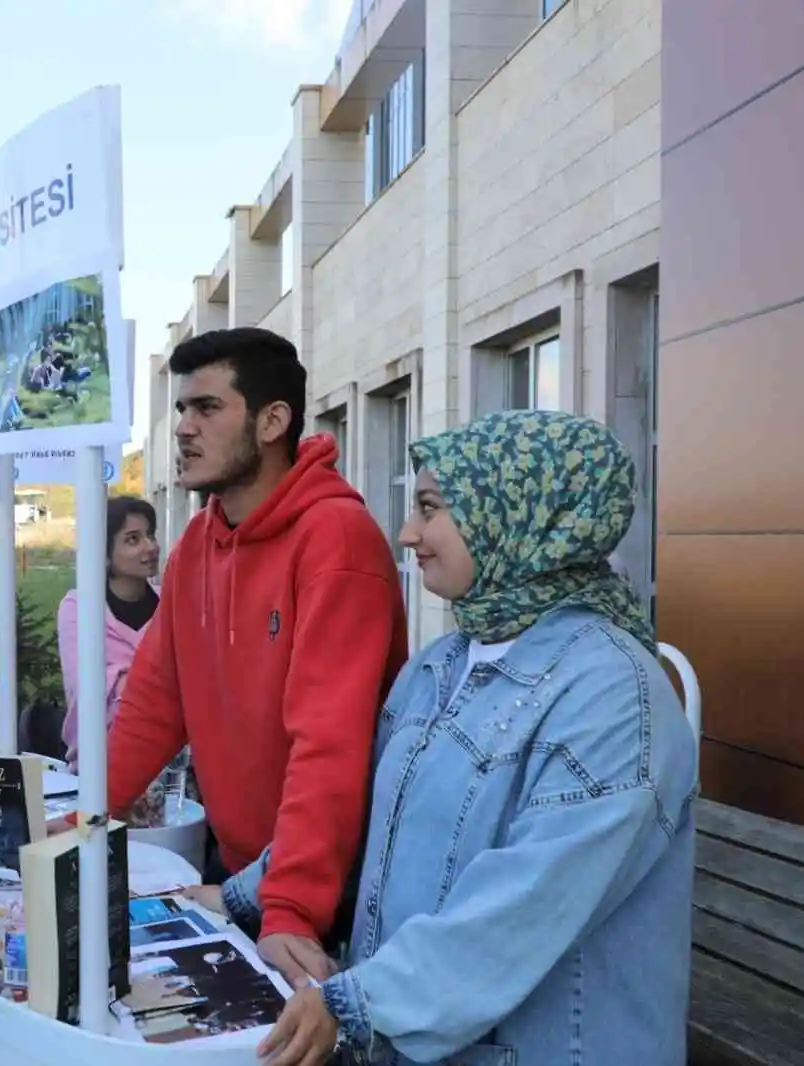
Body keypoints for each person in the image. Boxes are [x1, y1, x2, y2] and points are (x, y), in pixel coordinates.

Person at [256, 411, 697, 1066]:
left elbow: (523, 906)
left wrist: (355, 1004)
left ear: (516, 513)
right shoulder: (442, 663)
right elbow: (361, 816)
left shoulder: (614, 697)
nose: (408, 534)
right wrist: (249, 891)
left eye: (431, 508)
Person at [105, 327, 408, 988]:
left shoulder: (337, 540)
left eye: (207, 408)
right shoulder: (196, 542)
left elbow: (331, 741)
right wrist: (89, 814)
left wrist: (292, 906)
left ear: (273, 420)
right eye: (181, 408)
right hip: (245, 875)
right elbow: (156, 697)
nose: (183, 427)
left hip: (330, 892)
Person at [55, 495, 160, 769]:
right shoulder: (79, 607)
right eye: (133, 539)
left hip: (169, 769)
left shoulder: (173, 604)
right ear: (104, 553)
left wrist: (124, 679)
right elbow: (85, 690)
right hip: (98, 767)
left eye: (150, 535)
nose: (150, 547)